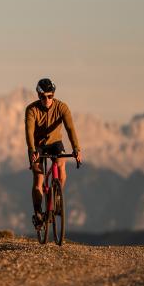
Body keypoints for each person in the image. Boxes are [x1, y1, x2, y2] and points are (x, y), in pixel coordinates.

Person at [24, 77, 82, 229]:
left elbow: (70, 129)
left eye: (50, 96)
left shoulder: (62, 108)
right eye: (43, 97)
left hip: (56, 143)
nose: (47, 100)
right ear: (38, 96)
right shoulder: (32, 110)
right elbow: (29, 132)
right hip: (38, 145)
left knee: (61, 167)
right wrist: (32, 151)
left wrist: (76, 149)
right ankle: (38, 212)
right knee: (38, 179)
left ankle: (56, 196)